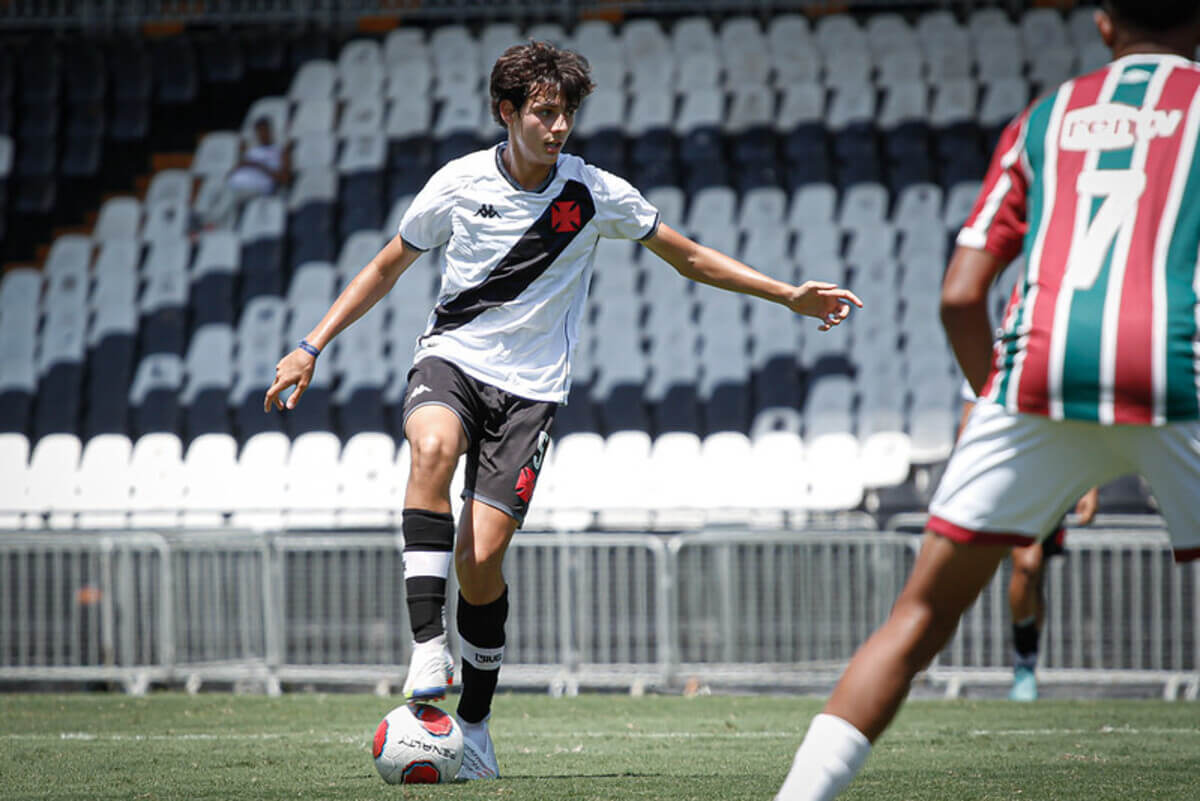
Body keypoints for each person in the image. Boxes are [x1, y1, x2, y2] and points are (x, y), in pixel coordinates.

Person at [263, 41, 862, 781]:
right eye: (545, 112)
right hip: (452, 360)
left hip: (532, 394)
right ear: (507, 112)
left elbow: (691, 257)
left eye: (567, 112)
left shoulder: (594, 194)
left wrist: (788, 295)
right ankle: (427, 647)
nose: (559, 127)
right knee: (430, 451)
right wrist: (310, 344)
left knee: (480, 561)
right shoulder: (457, 183)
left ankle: (475, 726)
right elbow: (389, 262)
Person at [775, 2, 1200, 798]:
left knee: (917, 620)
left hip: (1033, 376)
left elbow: (961, 296)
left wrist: (999, 408)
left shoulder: (1049, 116)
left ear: (1104, 23)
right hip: (1179, 367)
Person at [957, 385, 1099, 702]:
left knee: (1035, 576)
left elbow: (1082, 421)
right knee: (1026, 564)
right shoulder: (995, 354)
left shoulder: (1058, 350)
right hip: (1005, 475)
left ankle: (1026, 666)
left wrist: (1090, 485)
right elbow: (967, 425)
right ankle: (1024, 667)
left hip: (1051, 478)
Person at [194, 116, 290, 231]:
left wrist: (259, 166)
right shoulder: (252, 151)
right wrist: (237, 168)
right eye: (259, 131)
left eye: (264, 131)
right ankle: (220, 232)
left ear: (270, 131)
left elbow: (285, 179)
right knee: (214, 189)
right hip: (237, 184)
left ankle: (206, 222)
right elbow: (236, 169)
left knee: (230, 195)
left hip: (259, 187)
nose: (262, 134)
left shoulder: (279, 151)